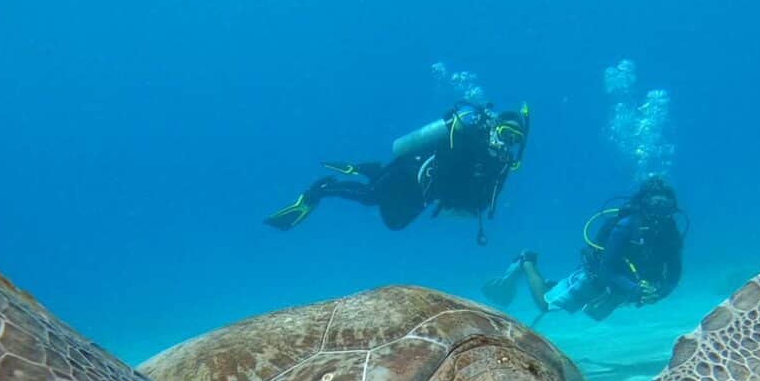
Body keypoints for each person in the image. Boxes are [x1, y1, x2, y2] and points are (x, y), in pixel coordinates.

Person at [264, 101, 530, 243]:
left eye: (514, 140)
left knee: (394, 224)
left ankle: (370, 170)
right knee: (370, 196)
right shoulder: (468, 136)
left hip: (426, 194)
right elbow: (446, 161)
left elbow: (482, 204)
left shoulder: (500, 166)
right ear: (494, 128)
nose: (507, 143)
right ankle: (319, 191)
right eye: (505, 134)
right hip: (411, 170)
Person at [483, 176, 686, 322]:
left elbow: (674, 272)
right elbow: (607, 267)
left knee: (594, 314)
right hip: (597, 275)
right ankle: (527, 261)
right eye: (654, 205)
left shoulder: (671, 232)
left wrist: (659, 293)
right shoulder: (626, 226)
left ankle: (556, 284)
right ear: (643, 204)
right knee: (545, 305)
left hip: (623, 285)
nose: (659, 214)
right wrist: (634, 289)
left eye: (665, 206)